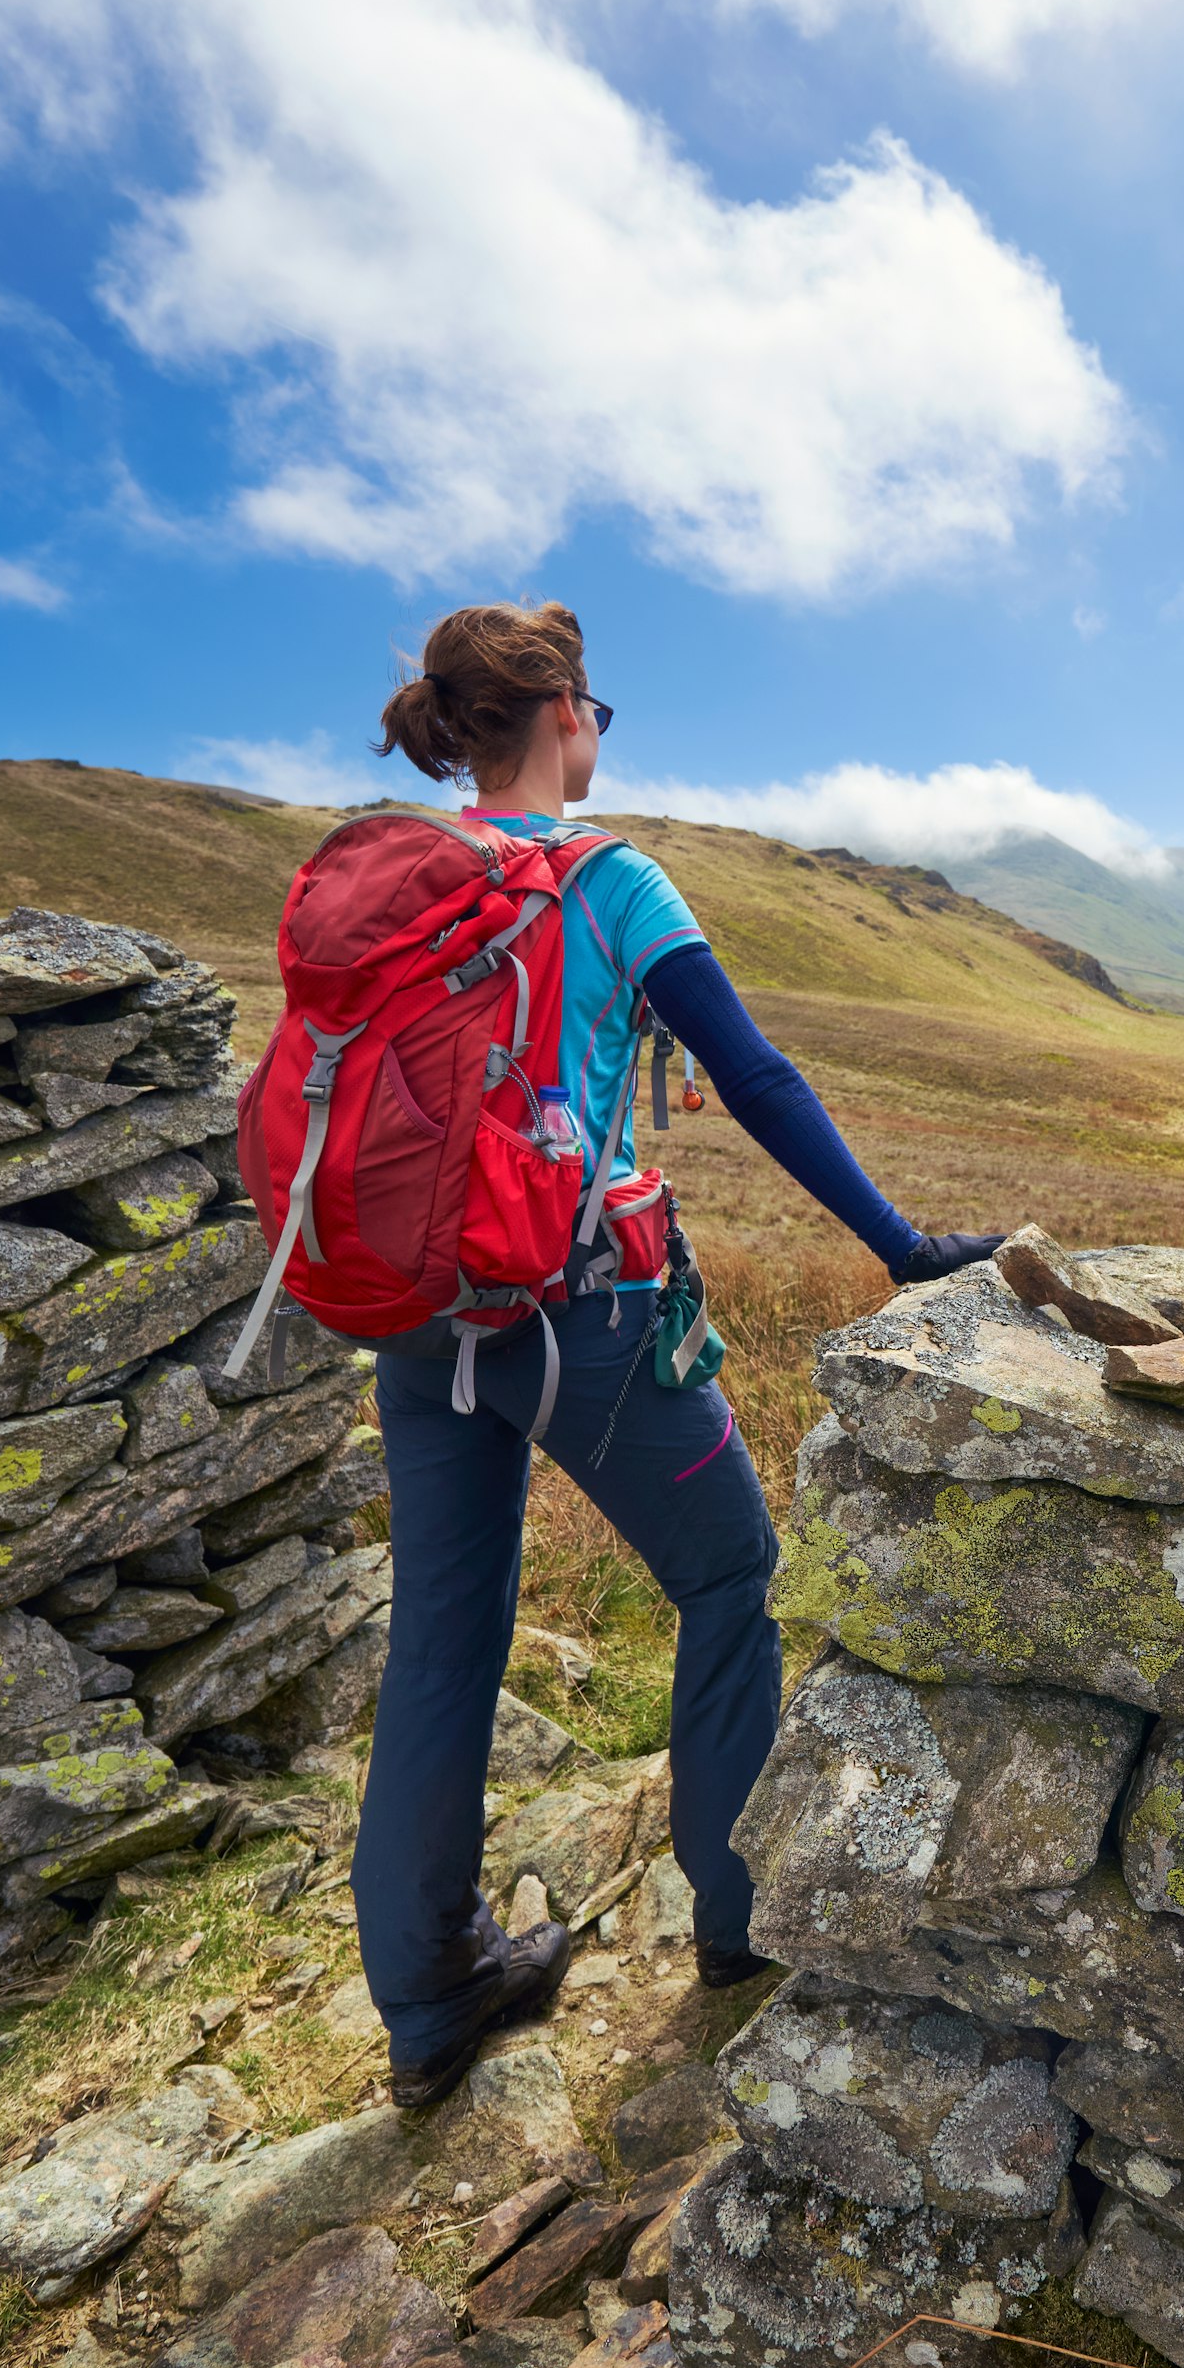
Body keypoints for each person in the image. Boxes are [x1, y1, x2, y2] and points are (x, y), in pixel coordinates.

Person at [349, 600, 997, 2107]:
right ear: (566, 711)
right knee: (731, 1573)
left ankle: (430, 1995)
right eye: (600, 710)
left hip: (420, 1312)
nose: (601, 732)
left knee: (442, 1636)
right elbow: (760, 1074)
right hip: (579, 1310)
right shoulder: (613, 878)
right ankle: (737, 1918)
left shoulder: (400, 877)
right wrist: (903, 1245)